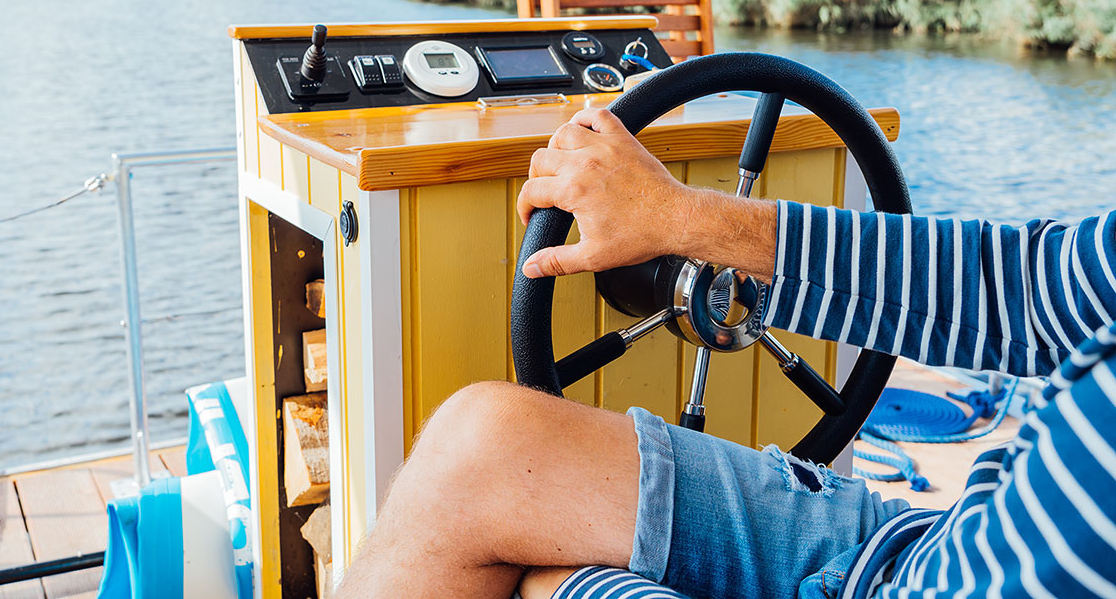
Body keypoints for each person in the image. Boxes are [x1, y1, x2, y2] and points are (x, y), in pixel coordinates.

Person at [332, 107, 1116, 599]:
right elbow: (1048, 286)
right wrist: (681, 218)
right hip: (928, 548)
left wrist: (589, 585)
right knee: (486, 444)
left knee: (547, 574)